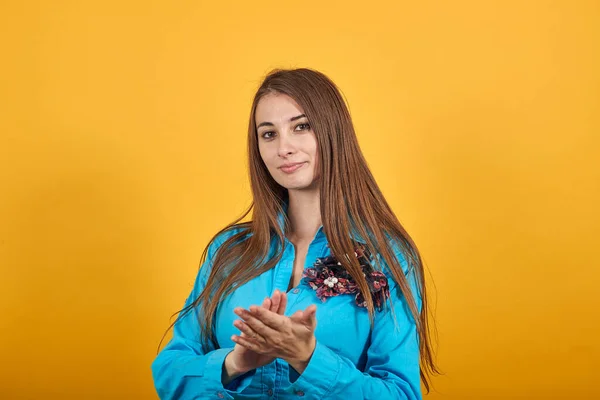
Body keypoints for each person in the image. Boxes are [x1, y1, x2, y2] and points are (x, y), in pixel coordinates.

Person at [151, 68, 438, 399]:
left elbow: (400, 394)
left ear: (333, 132)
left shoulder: (388, 256)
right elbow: (170, 370)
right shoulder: (229, 251)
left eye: (301, 127)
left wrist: (308, 358)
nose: (283, 148)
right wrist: (234, 363)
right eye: (269, 134)